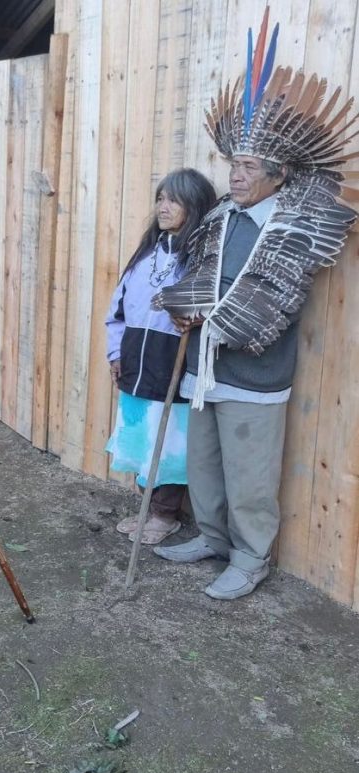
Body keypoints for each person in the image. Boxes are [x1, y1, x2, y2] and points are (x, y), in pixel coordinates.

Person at [152, 14, 358, 600]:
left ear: (278, 174)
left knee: (249, 476)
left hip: (254, 374)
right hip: (204, 368)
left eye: (246, 169)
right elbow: (197, 276)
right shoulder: (220, 218)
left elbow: (279, 300)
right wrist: (186, 309)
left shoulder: (296, 226)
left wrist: (217, 322)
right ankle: (213, 539)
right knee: (206, 467)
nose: (235, 177)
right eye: (233, 166)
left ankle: (249, 558)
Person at [106, 169, 216, 545]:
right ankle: (147, 507)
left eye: (173, 200)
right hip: (136, 358)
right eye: (160, 198)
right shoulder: (146, 256)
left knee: (168, 437)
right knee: (140, 435)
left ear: (195, 206)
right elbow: (117, 311)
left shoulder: (200, 262)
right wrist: (115, 352)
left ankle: (165, 514)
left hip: (174, 360)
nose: (163, 207)